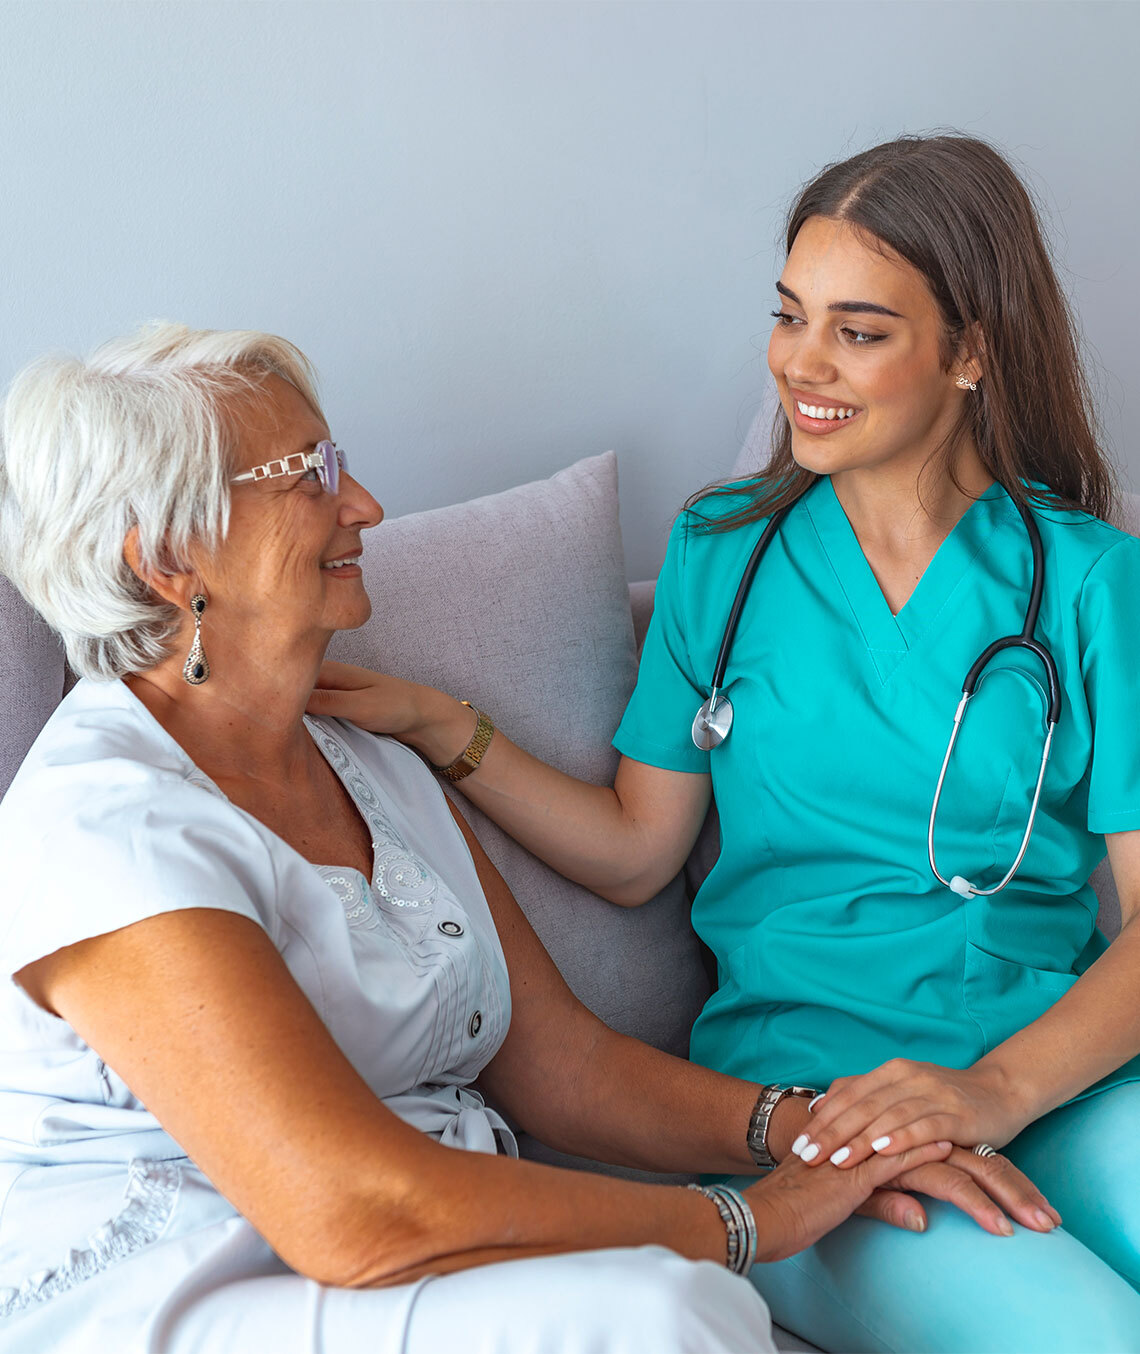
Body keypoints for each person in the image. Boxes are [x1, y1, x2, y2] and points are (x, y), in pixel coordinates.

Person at [0, 322, 1036, 1354]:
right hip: (188, 1283)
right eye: (307, 475)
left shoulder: (375, 768)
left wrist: (826, 1132)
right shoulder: (107, 824)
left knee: (676, 1307)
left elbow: (567, 1069)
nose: (364, 504)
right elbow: (350, 1214)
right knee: (666, 1308)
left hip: (416, 1245)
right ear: (171, 554)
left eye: (341, 464)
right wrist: (748, 1219)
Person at [312, 135, 1140, 1353]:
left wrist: (996, 1088)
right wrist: (446, 726)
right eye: (790, 315)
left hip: (1055, 1077)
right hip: (816, 1101)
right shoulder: (726, 553)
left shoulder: (1089, 584)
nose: (801, 364)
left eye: (858, 331)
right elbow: (640, 851)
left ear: (971, 351)